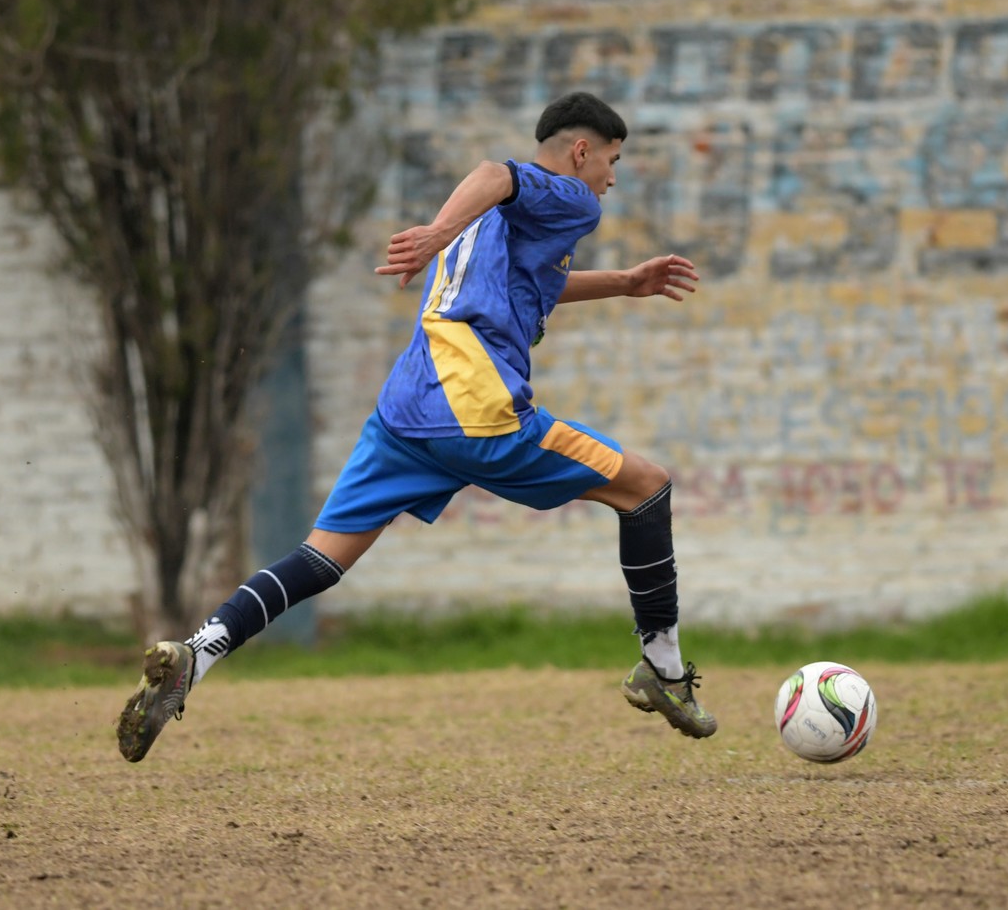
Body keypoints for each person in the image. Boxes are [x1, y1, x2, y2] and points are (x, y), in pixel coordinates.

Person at [117, 91, 714, 763]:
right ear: (581, 152)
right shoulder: (571, 199)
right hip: (479, 411)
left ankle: (196, 654)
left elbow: (534, 276)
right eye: (612, 160)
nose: (612, 176)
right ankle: (663, 670)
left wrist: (624, 281)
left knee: (319, 558)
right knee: (646, 487)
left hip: (406, 412)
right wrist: (431, 233)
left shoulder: (500, 221)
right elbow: (495, 172)